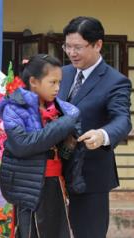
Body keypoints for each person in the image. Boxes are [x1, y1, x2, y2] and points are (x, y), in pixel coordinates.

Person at [59, 16, 132, 238]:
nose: (72, 53)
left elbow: (122, 120)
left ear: (98, 44)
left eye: (78, 47)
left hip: (90, 175)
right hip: (54, 173)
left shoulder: (115, 81)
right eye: (67, 46)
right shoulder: (61, 73)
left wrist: (103, 134)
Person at [0, 54, 85, 238]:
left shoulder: (63, 110)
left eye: (59, 82)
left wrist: (71, 143)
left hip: (56, 185)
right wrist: (62, 126)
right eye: (52, 82)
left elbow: (65, 153)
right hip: (30, 187)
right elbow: (23, 145)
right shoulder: (13, 108)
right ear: (34, 82)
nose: (57, 88)